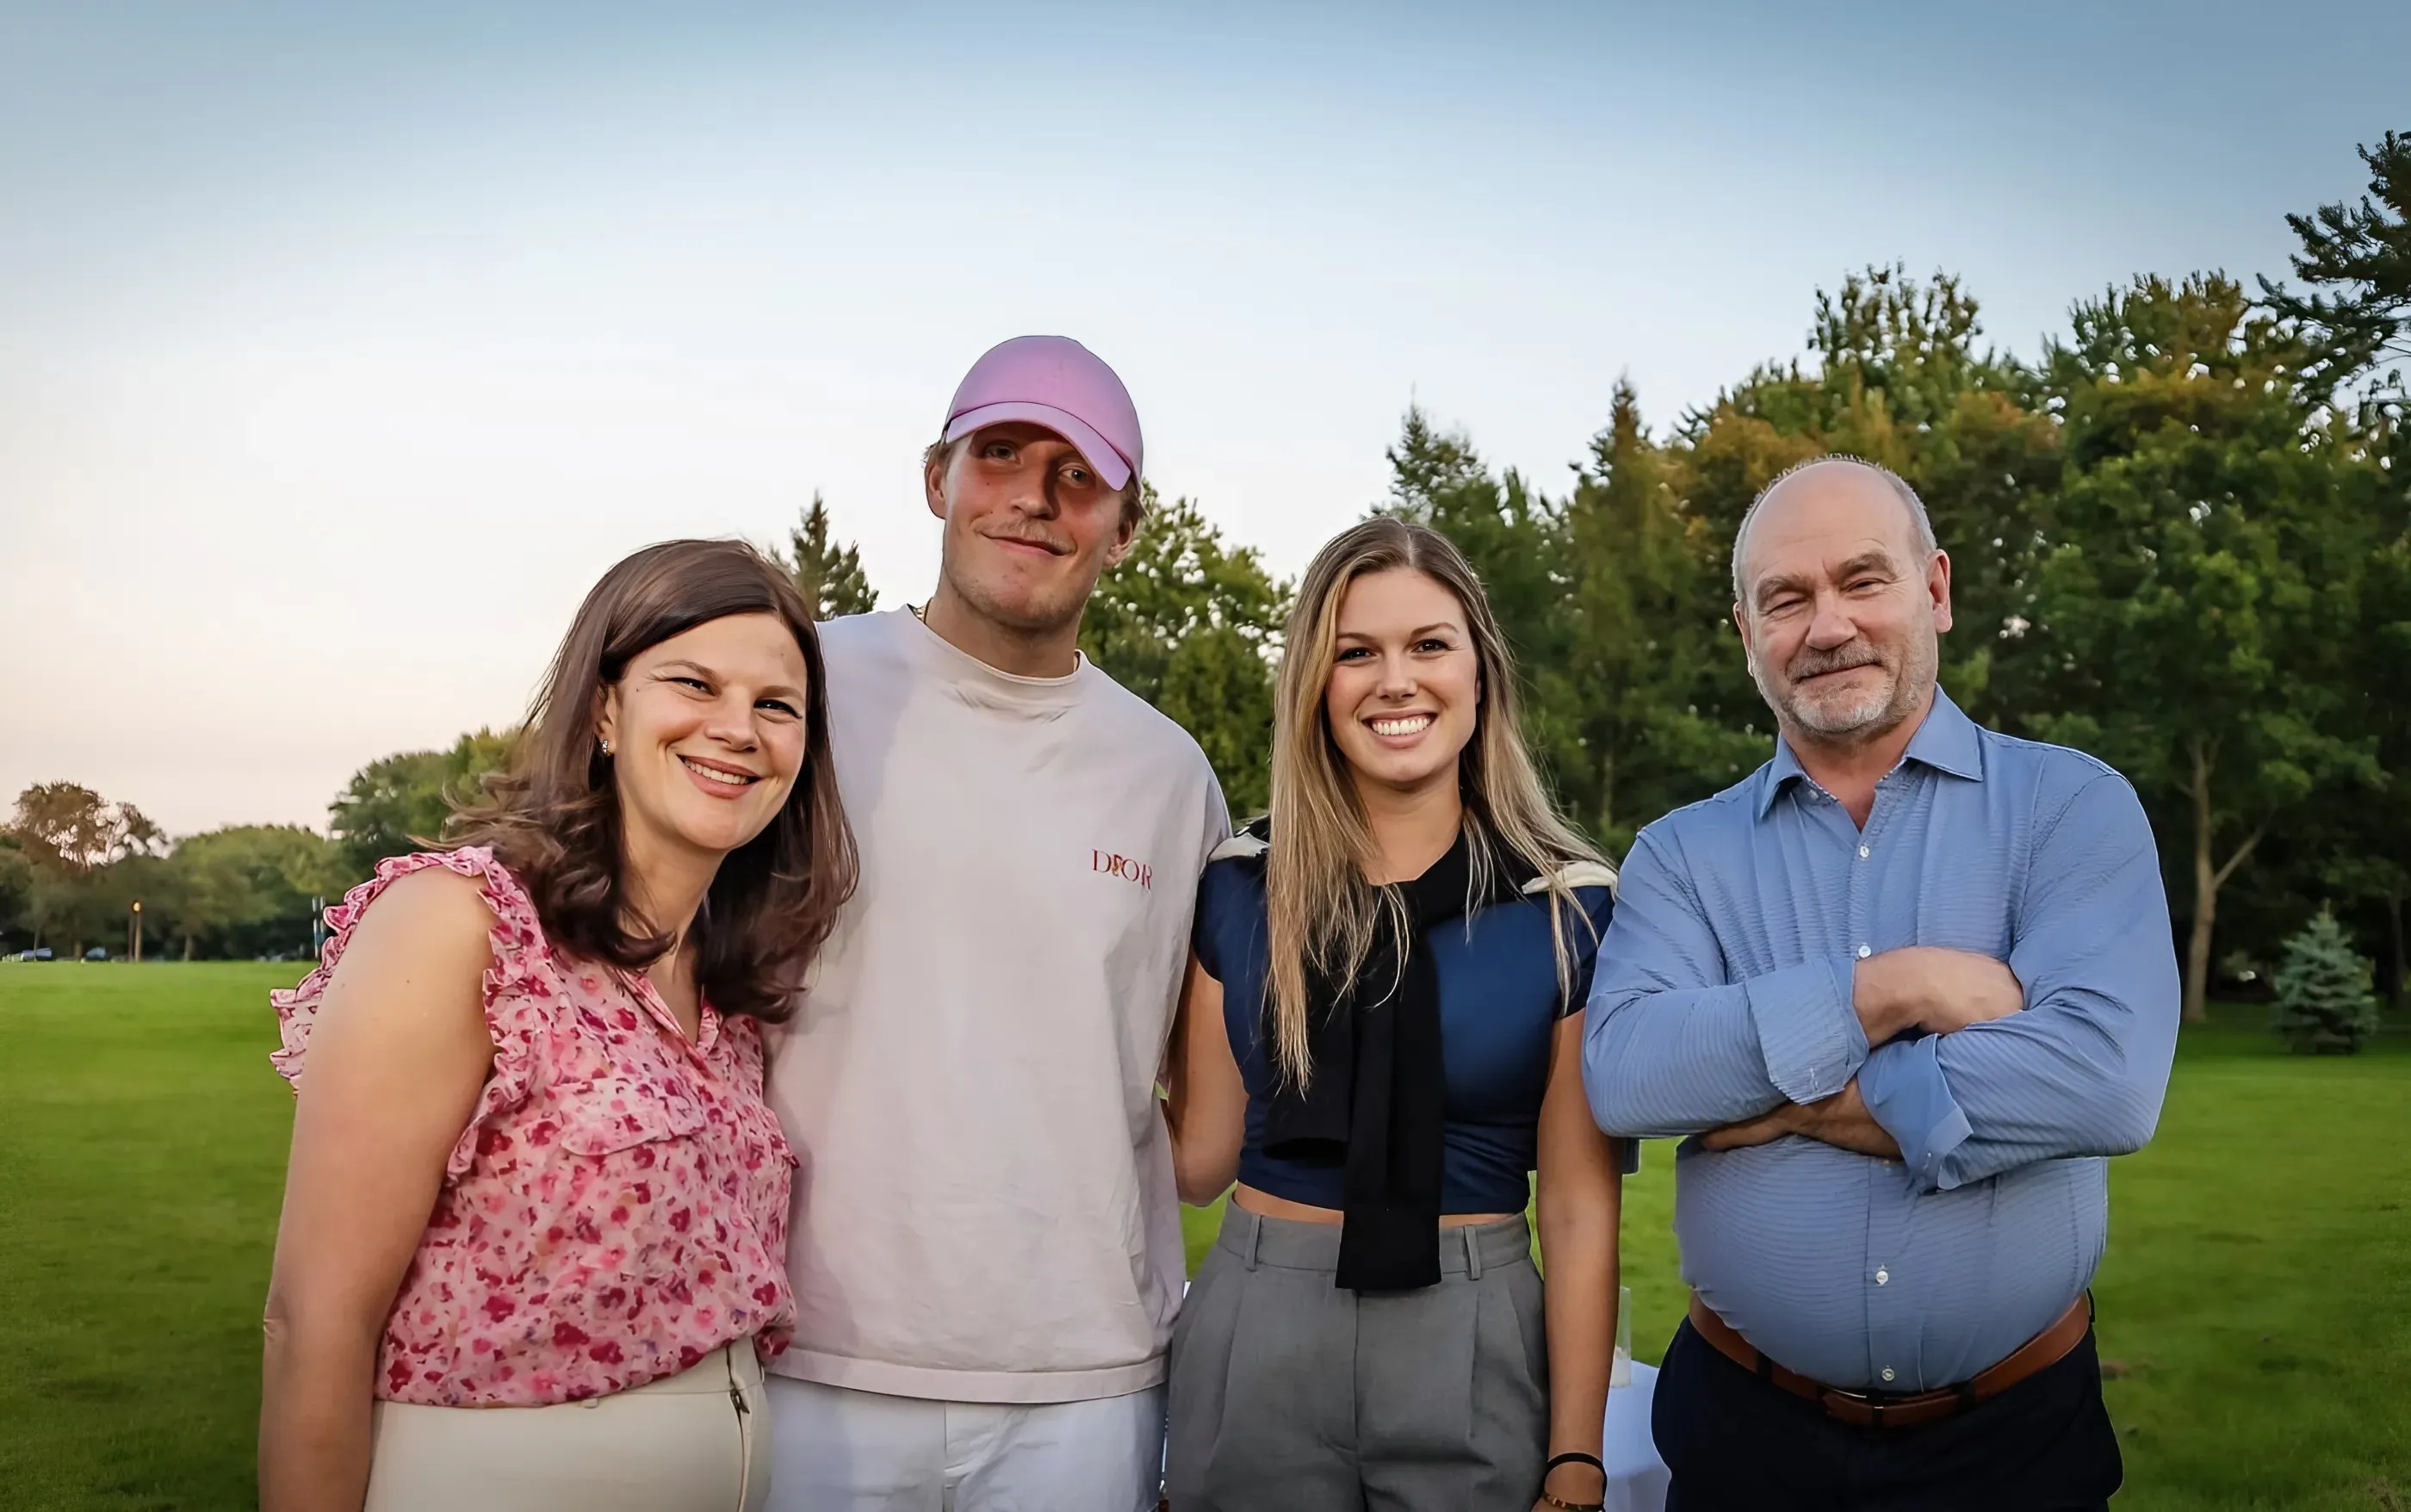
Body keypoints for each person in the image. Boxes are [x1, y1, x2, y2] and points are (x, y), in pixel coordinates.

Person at [1582, 456, 2180, 1511]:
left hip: (2015, 1445)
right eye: (1787, 597)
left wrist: (1794, 1106)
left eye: (1863, 580)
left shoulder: (2069, 807)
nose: (1826, 625)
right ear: (1745, 631)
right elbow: (1629, 1075)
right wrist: (1892, 991)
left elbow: (2102, 1080)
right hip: (1745, 1440)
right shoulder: (1679, 856)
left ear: (1935, 590)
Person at [259, 540, 858, 1512]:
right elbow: (312, 1321)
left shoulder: (725, 985)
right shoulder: (465, 925)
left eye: (775, 705)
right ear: (604, 709)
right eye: (693, 683)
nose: (737, 729)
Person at [760, 336, 1230, 1511]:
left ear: (1127, 527)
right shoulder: (798, 694)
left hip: (1082, 1383)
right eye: (1002, 456)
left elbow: (1199, 1103)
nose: (1033, 497)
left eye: (1079, 475)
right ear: (937, 480)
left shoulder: (1170, 778)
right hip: (808, 1356)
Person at [1162, 516, 1627, 1512]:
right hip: (1260, 1320)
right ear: (1314, 687)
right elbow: (1197, 1158)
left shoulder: (1571, 907)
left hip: (1474, 1327)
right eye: (1355, 652)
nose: (1396, 680)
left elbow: (1580, 1209)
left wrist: (1577, 1457)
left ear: (1479, 671)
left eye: (1428, 645)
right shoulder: (1240, 884)